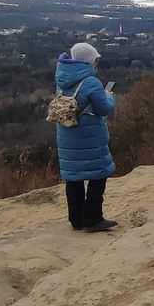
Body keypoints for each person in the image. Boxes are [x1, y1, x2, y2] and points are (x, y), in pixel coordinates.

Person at [54, 42, 118, 233]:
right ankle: (93, 219)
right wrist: (108, 96)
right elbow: (104, 108)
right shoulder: (91, 82)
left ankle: (76, 219)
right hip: (89, 136)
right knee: (98, 175)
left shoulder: (61, 79)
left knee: (74, 178)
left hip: (67, 134)